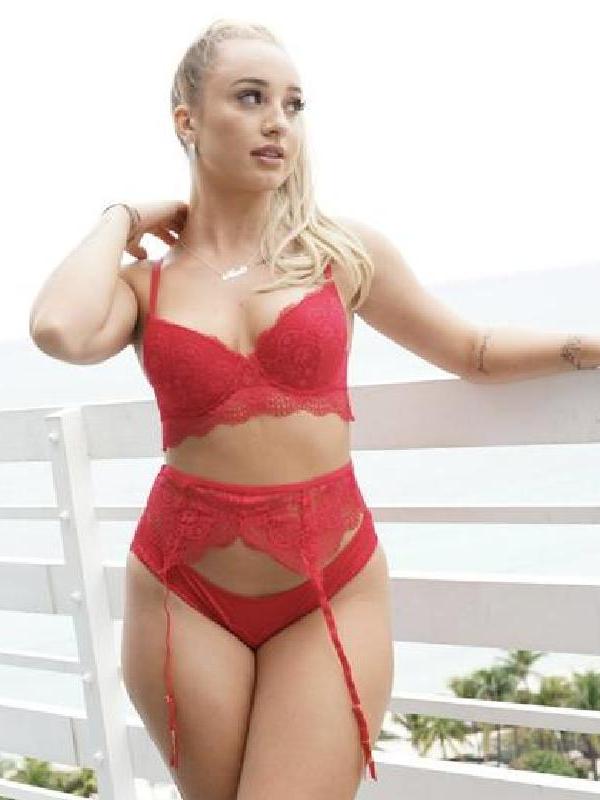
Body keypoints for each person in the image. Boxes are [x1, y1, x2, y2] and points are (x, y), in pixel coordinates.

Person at [29, 16, 599, 800]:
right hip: (182, 592)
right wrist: (121, 217)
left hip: (330, 586)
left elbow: (470, 349)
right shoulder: (144, 285)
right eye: (251, 97)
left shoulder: (338, 252)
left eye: (293, 104)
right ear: (187, 120)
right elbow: (58, 329)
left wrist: (585, 345)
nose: (278, 122)